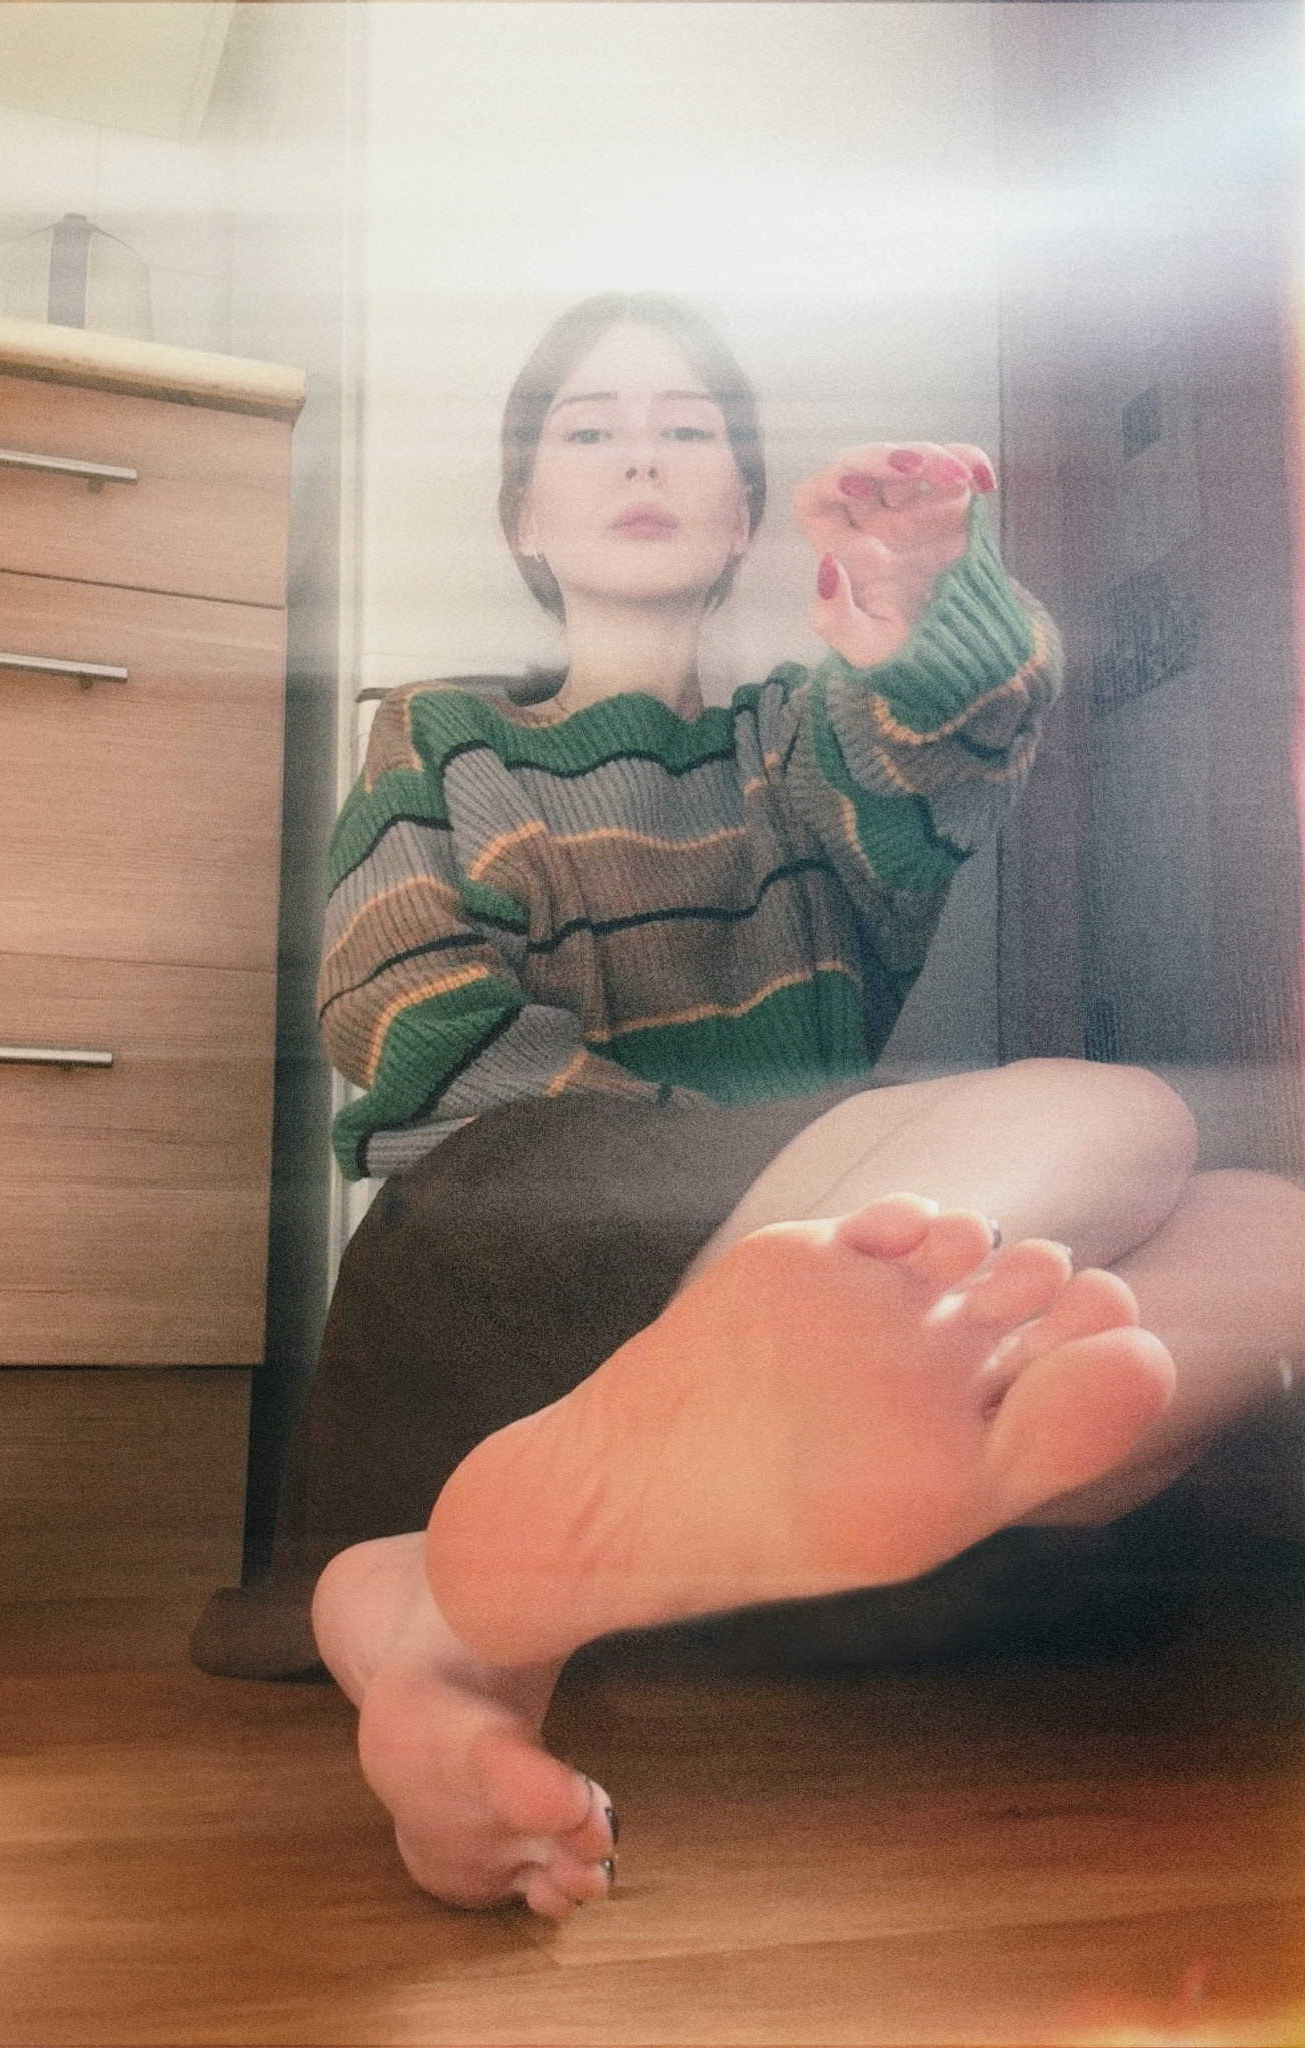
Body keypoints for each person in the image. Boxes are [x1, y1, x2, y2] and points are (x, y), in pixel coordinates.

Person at [225, 294, 1305, 1920]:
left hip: (811, 1361)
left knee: (1274, 1235)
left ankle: (444, 1642)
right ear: (525, 515)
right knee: (1128, 1118)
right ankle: (672, 1441)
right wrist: (758, 1174)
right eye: (590, 431)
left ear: (742, 512)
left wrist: (928, 596)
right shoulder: (439, 735)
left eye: (687, 431)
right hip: (505, 1259)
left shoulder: (801, 748)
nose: (641, 456)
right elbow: (409, 1022)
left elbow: (960, 724)